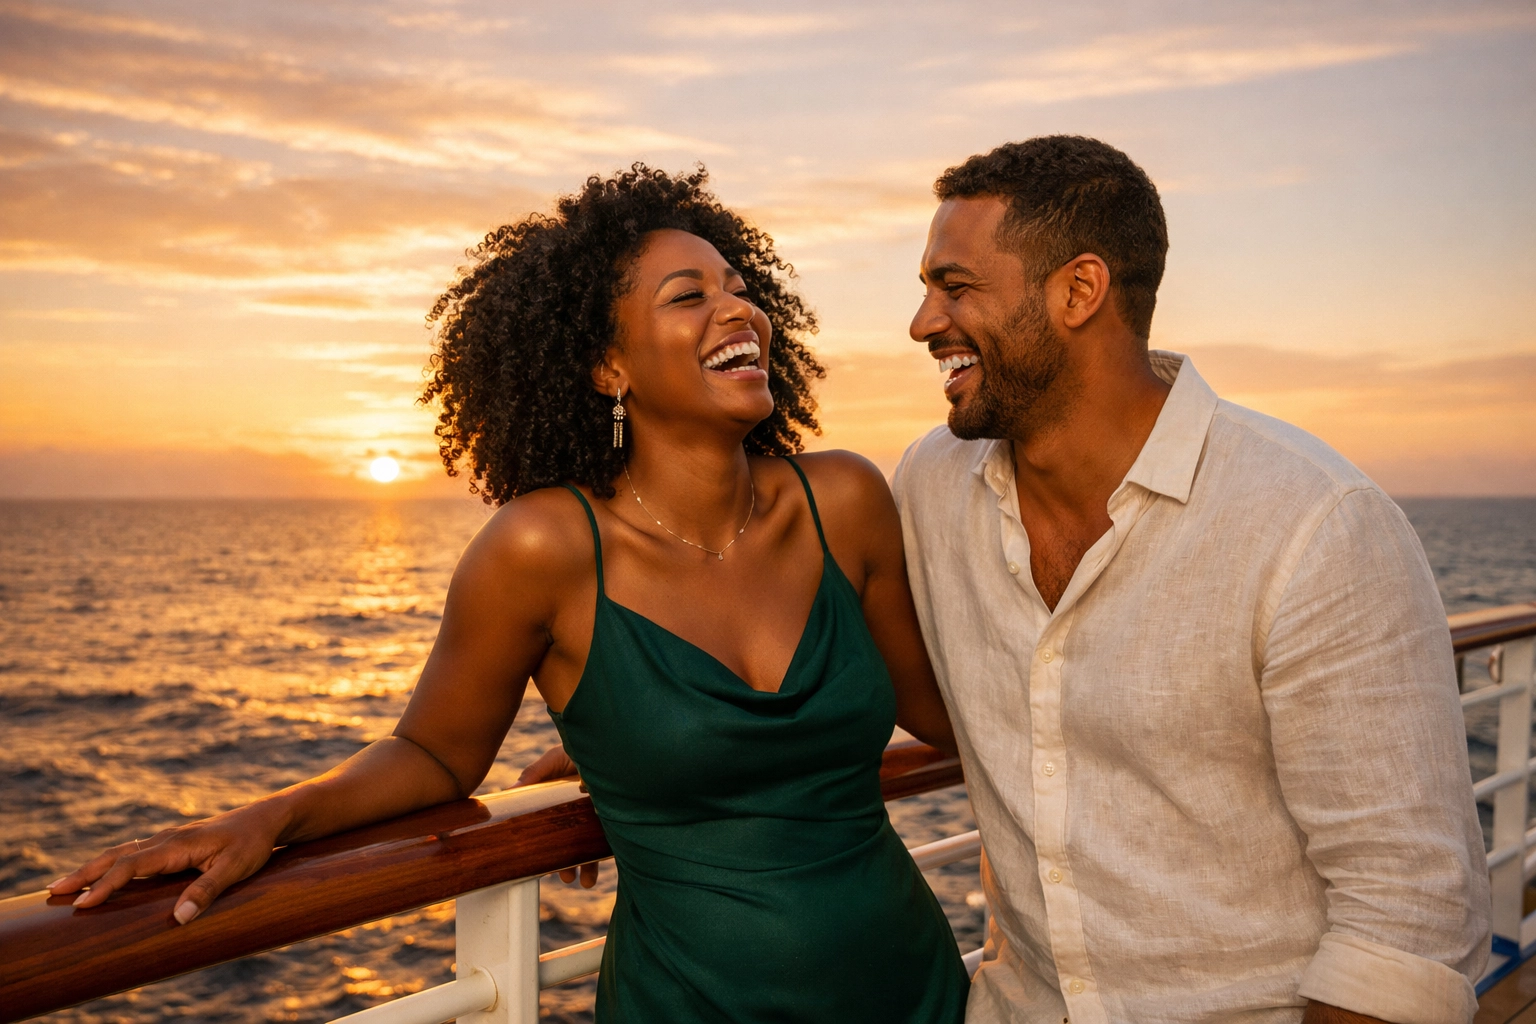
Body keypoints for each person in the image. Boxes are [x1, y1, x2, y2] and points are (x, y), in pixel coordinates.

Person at [49, 166, 970, 1024]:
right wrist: (266, 818)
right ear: (607, 368)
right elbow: (432, 754)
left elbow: (946, 712)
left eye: (738, 287)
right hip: (692, 1003)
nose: (738, 309)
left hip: (913, 988)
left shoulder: (843, 500)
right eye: (688, 296)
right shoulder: (543, 549)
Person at [893, 135, 1489, 1023]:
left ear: (1078, 291)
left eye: (955, 286)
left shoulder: (1313, 522)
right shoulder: (930, 487)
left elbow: (1406, 913)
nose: (923, 322)